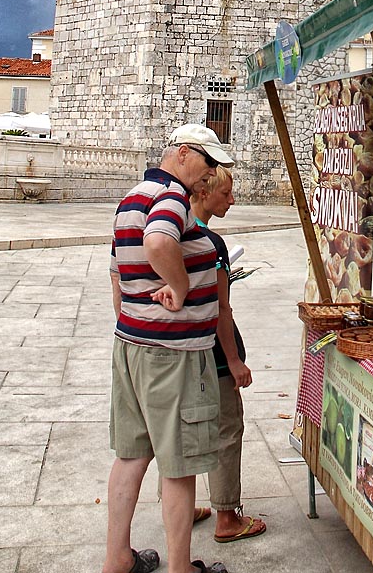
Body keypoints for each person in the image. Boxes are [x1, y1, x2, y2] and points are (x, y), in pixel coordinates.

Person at [104, 123, 234, 573]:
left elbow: (119, 274)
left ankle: (118, 557)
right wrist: (179, 288)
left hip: (132, 344)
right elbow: (158, 241)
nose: (212, 173)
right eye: (209, 162)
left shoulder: (131, 198)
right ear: (183, 153)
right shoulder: (172, 197)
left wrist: (134, 313)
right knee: (179, 466)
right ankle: (181, 569)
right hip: (174, 353)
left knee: (130, 456)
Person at [190, 167, 267, 544]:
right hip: (214, 354)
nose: (232, 200)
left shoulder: (166, 230)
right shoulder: (211, 243)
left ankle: (182, 505)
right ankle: (226, 516)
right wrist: (234, 361)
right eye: (226, 194)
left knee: (181, 429)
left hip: (177, 350)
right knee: (225, 429)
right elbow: (222, 309)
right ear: (204, 194)